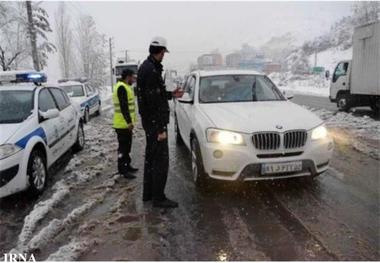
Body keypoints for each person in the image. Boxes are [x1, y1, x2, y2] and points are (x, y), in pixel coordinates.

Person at [137, 36, 183, 208]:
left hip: (151, 124)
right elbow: (152, 103)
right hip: (155, 125)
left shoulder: (147, 67)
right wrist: (160, 128)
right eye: (164, 52)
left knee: (151, 159)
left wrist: (171, 94)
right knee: (160, 162)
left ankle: (148, 194)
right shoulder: (151, 71)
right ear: (161, 51)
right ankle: (159, 198)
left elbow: (155, 95)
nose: (164, 55)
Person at [113, 69, 139, 179]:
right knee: (123, 148)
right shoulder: (121, 88)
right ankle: (123, 170)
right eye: (132, 77)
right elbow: (124, 107)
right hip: (122, 124)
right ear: (127, 77)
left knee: (127, 147)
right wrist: (129, 122)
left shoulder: (126, 87)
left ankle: (127, 166)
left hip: (125, 124)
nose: (133, 80)